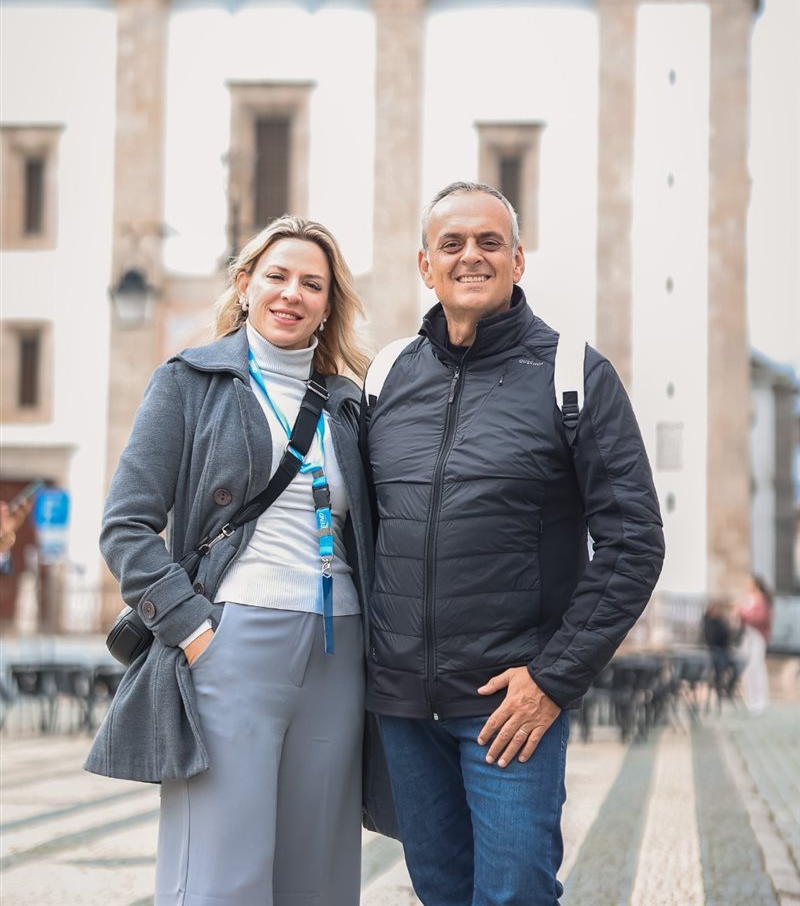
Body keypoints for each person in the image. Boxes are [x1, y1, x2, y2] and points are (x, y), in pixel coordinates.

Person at [361, 181, 665, 906]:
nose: (472, 256)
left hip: (508, 709)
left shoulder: (574, 374)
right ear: (424, 265)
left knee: (515, 895)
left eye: (490, 242)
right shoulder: (386, 376)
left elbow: (633, 544)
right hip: (403, 707)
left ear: (518, 260)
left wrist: (553, 678)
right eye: (453, 243)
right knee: (441, 892)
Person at [86, 215, 384, 906]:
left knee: (320, 880)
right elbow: (125, 524)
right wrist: (194, 633)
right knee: (221, 877)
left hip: (340, 652)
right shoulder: (190, 381)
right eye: (277, 276)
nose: (292, 294)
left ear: (329, 304)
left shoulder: (351, 405)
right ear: (245, 285)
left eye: (313, 283)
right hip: (232, 642)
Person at [737, 573, 773, 715]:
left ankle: (760, 701)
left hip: (756, 636)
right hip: (748, 636)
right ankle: (750, 701)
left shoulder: (760, 599)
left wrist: (743, 613)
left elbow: (759, 617)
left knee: (756, 667)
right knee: (748, 669)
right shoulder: (749, 598)